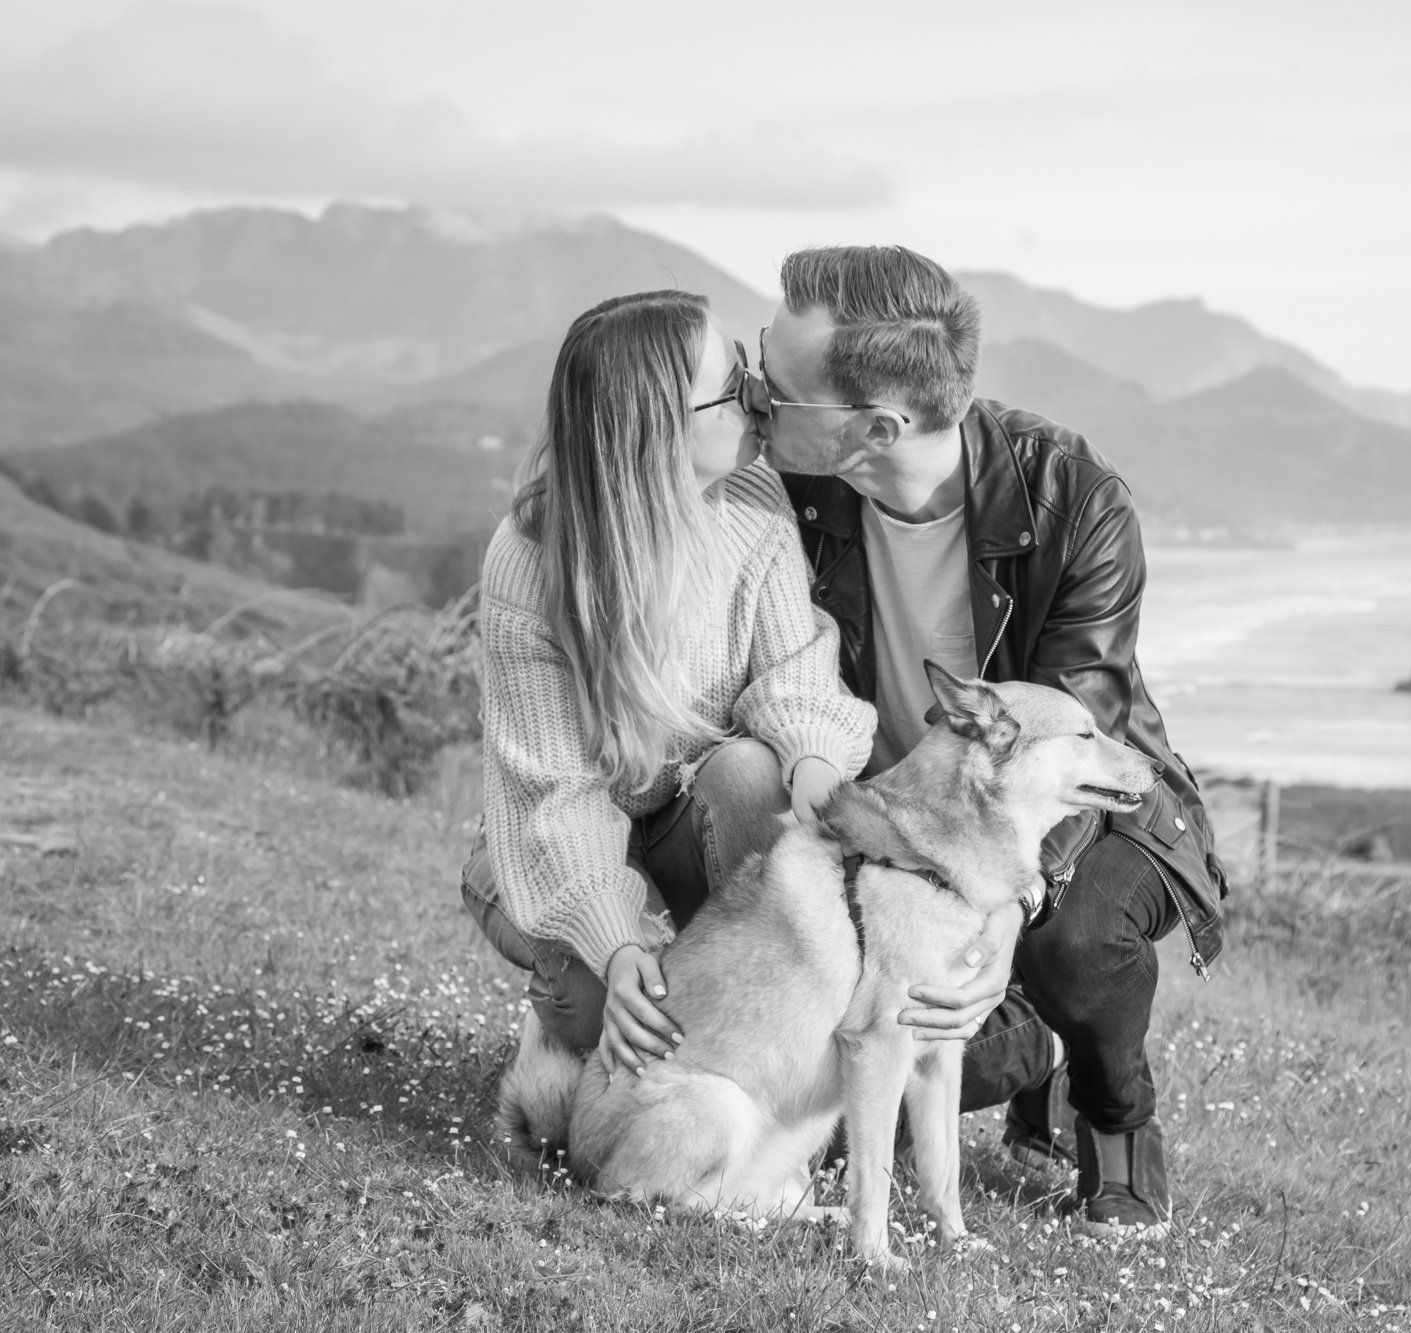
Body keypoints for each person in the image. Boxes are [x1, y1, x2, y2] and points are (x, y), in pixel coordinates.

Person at [758, 245, 1229, 1239]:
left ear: (874, 427)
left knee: (1066, 942)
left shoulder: (1076, 500)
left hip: (1086, 815)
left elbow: (1063, 741)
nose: (754, 392)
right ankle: (1032, 1055)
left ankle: (1113, 1119)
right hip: (904, 821)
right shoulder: (795, 491)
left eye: (776, 380)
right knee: (863, 1063)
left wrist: (1004, 916)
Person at [459, 290, 876, 1077]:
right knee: (602, 1012)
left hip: (686, 817)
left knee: (757, 774)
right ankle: (593, 986)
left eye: (748, 369)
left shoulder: (755, 501)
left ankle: (762, 1046)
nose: (757, 396)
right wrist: (617, 946)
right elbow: (556, 792)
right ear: (657, 430)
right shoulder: (530, 558)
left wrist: (814, 763)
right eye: (732, 387)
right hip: (547, 841)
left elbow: (793, 673)